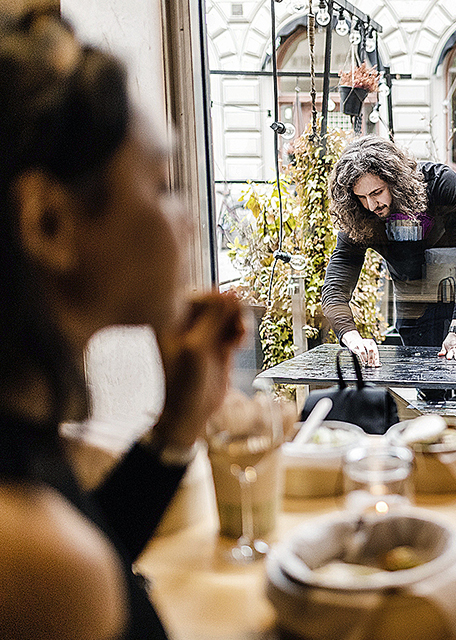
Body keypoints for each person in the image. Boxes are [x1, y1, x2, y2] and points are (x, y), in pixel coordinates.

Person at [0, 9, 244, 640]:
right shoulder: (34, 561)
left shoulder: (26, 451)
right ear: (49, 224)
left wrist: (177, 425)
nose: (187, 217)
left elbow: (95, 550)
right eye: (163, 182)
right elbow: (75, 575)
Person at [322, 135, 456, 381]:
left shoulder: (440, 183)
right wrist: (351, 336)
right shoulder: (359, 216)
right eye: (361, 197)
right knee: (427, 392)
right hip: (415, 308)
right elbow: (335, 288)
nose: (371, 205)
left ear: (394, 181)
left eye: (377, 192)